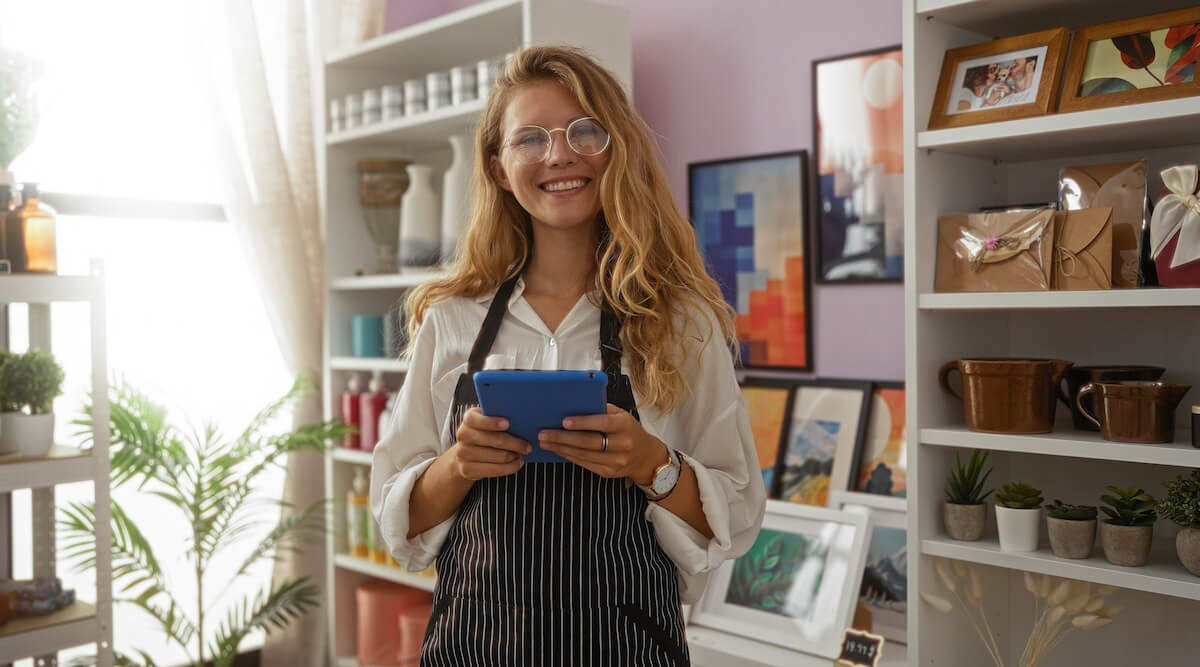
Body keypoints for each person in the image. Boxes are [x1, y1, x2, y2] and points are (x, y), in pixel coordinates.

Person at [370, 45, 767, 666]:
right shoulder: (450, 321)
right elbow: (400, 521)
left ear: (618, 151)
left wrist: (650, 462)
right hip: (475, 649)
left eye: (585, 131)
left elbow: (734, 514)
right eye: (530, 138)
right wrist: (459, 465)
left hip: (629, 649)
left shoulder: (682, 322)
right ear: (500, 168)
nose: (559, 154)